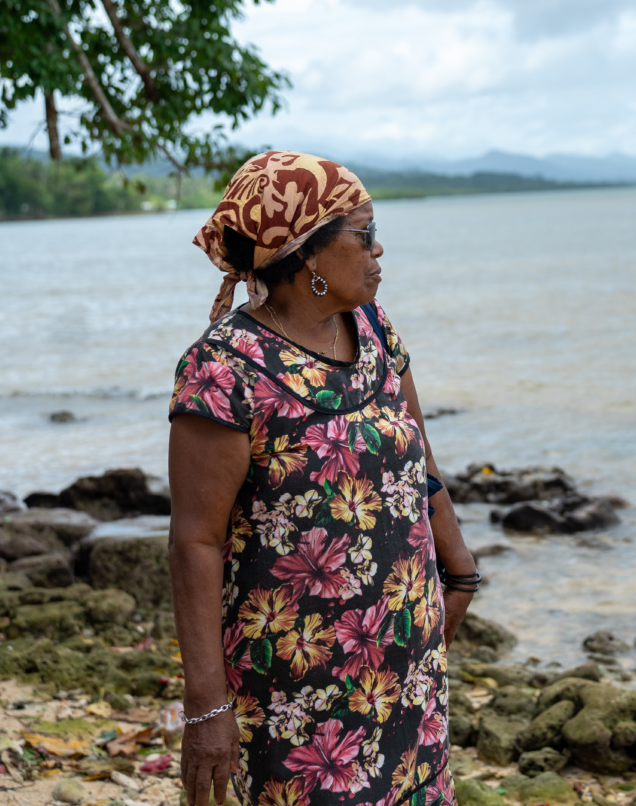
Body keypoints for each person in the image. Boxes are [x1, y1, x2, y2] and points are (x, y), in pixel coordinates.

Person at [166, 151, 477, 806]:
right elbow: (194, 541)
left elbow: (419, 457)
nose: (378, 247)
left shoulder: (373, 328)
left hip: (406, 663)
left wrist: (460, 564)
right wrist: (204, 707)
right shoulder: (224, 370)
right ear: (305, 251)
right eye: (363, 233)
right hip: (296, 688)